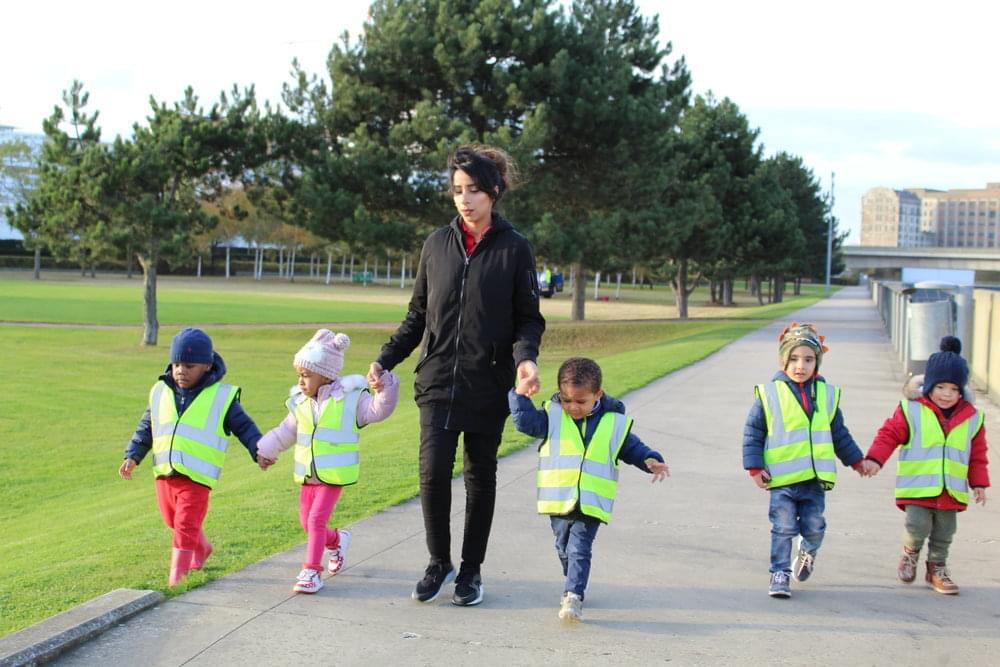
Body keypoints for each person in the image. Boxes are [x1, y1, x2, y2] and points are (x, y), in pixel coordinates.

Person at [367, 144, 545, 607]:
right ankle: (438, 561)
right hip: (437, 379)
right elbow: (417, 315)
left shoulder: (514, 248)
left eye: (474, 191)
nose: (464, 200)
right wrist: (386, 359)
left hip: (487, 383)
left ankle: (470, 571)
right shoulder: (435, 245)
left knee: (479, 477)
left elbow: (529, 318)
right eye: (457, 191)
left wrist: (526, 359)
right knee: (430, 475)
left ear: (495, 191)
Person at [509, 357, 668, 622]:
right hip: (559, 498)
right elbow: (525, 423)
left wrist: (650, 459)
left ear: (598, 395)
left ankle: (573, 595)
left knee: (579, 548)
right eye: (567, 400)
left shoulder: (613, 422)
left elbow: (631, 447)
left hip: (591, 500)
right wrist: (520, 395)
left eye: (581, 401)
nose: (573, 407)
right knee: (563, 546)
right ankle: (572, 577)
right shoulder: (552, 416)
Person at [257, 329, 399, 594]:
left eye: (306, 375)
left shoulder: (350, 398)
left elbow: (378, 410)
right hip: (308, 474)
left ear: (326, 374)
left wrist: (386, 387)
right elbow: (285, 432)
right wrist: (266, 451)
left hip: (333, 475)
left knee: (315, 522)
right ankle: (337, 540)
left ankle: (311, 571)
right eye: (299, 375)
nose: (300, 381)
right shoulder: (300, 403)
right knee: (307, 523)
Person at [118, 327, 263, 587]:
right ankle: (202, 548)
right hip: (165, 473)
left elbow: (245, 427)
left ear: (206, 366)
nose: (181, 371)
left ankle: (177, 577)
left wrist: (259, 450)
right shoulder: (160, 392)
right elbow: (146, 428)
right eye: (176, 364)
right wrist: (133, 456)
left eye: (189, 365)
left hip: (197, 477)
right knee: (172, 520)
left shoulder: (222, 397)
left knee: (185, 524)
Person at [742, 322, 874, 599]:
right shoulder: (770, 395)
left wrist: (856, 461)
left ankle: (808, 551)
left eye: (808, 359)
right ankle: (780, 573)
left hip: (814, 479)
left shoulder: (827, 396)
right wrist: (754, 467)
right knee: (783, 527)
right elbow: (753, 432)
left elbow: (839, 433)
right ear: (783, 360)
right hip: (782, 479)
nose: (800, 365)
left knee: (814, 527)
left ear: (817, 363)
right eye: (793, 359)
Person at [864, 336, 989, 595]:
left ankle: (937, 568)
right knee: (917, 526)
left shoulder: (972, 419)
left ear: (962, 391)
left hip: (950, 489)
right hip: (918, 487)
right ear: (929, 386)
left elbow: (977, 454)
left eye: (954, 389)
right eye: (940, 387)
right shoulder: (911, 411)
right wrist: (875, 459)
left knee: (945, 532)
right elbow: (889, 434)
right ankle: (910, 554)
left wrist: (979, 483)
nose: (946, 394)